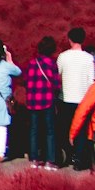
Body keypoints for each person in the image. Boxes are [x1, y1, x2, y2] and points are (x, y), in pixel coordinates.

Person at [57, 27, 95, 169]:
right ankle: (79, 160)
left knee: (65, 129)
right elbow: (91, 81)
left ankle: (66, 156)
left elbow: (58, 76)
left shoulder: (63, 56)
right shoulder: (89, 58)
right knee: (81, 131)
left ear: (70, 39)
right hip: (83, 100)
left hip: (65, 98)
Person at [25, 36, 60, 169]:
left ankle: (34, 159)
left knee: (34, 130)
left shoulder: (32, 63)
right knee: (50, 131)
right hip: (47, 101)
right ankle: (50, 161)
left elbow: (27, 82)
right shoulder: (51, 64)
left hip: (33, 101)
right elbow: (56, 84)